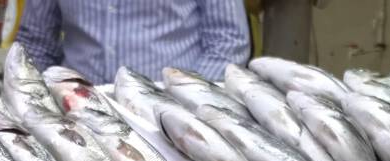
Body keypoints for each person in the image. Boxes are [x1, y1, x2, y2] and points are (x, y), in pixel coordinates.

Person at [16, 0, 251, 84]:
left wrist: (182, 103)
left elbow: (228, 43)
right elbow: (36, 44)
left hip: (172, 125)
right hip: (78, 120)